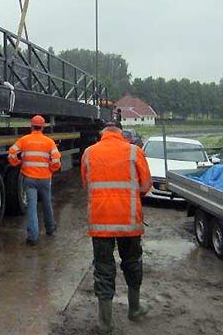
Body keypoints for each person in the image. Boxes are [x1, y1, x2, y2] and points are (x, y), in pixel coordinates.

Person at [81, 120, 152, 333]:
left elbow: (86, 184)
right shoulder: (134, 151)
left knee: (103, 270)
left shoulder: (89, 153)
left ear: (103, 133)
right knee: (132, 262)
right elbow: (146, 185)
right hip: (128, 222)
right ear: (121, 132)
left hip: (101, 222)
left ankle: (105, 324)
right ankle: (135, 309)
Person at [8, 115, 61, 245]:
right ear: (43, 127)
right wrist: (50, 170)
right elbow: (56, 162)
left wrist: (18, 162)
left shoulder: (24, 140)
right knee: (47, 203)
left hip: (29, 178)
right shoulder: (49, 142)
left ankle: (32, 237)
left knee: (32, 207)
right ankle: (49, 229)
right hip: (45, 179)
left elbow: (11, 154)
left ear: (31, 126)